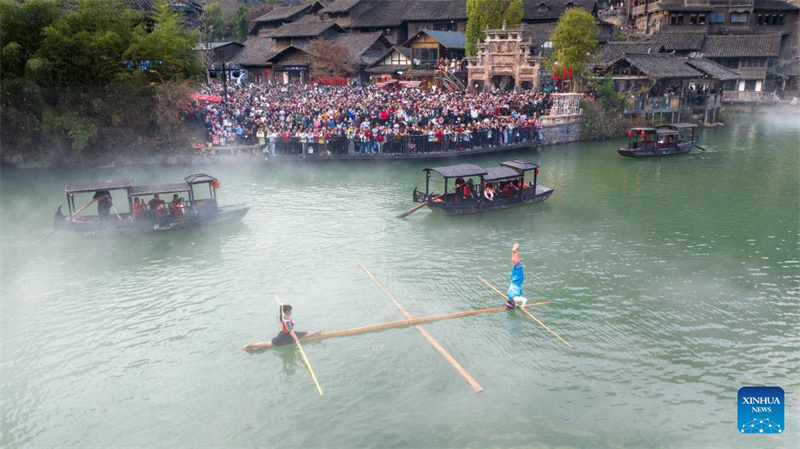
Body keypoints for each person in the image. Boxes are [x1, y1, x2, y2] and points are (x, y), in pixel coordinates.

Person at [242, 304, 324, 350]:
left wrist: (281, 307)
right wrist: (297, 340)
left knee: (304, 334)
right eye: (290, 310)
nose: (291, 311)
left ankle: (317, 332)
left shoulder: (284, 316)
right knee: (268, 344)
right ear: (287, 312)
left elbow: (281, 314)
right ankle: (251, 345)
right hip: (284, 336)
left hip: (288, 334)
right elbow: (291, 331)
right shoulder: (287, 320)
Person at [506, 243, 528, 309]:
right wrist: (517, 305)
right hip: (512, 280)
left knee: (517, 264)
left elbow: (525, 300)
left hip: (517, 282)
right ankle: (513, 252)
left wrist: (523, 307)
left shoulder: (515, 299)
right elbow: (515, 300)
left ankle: (516, 251)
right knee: (515, 265)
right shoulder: (509, 295)